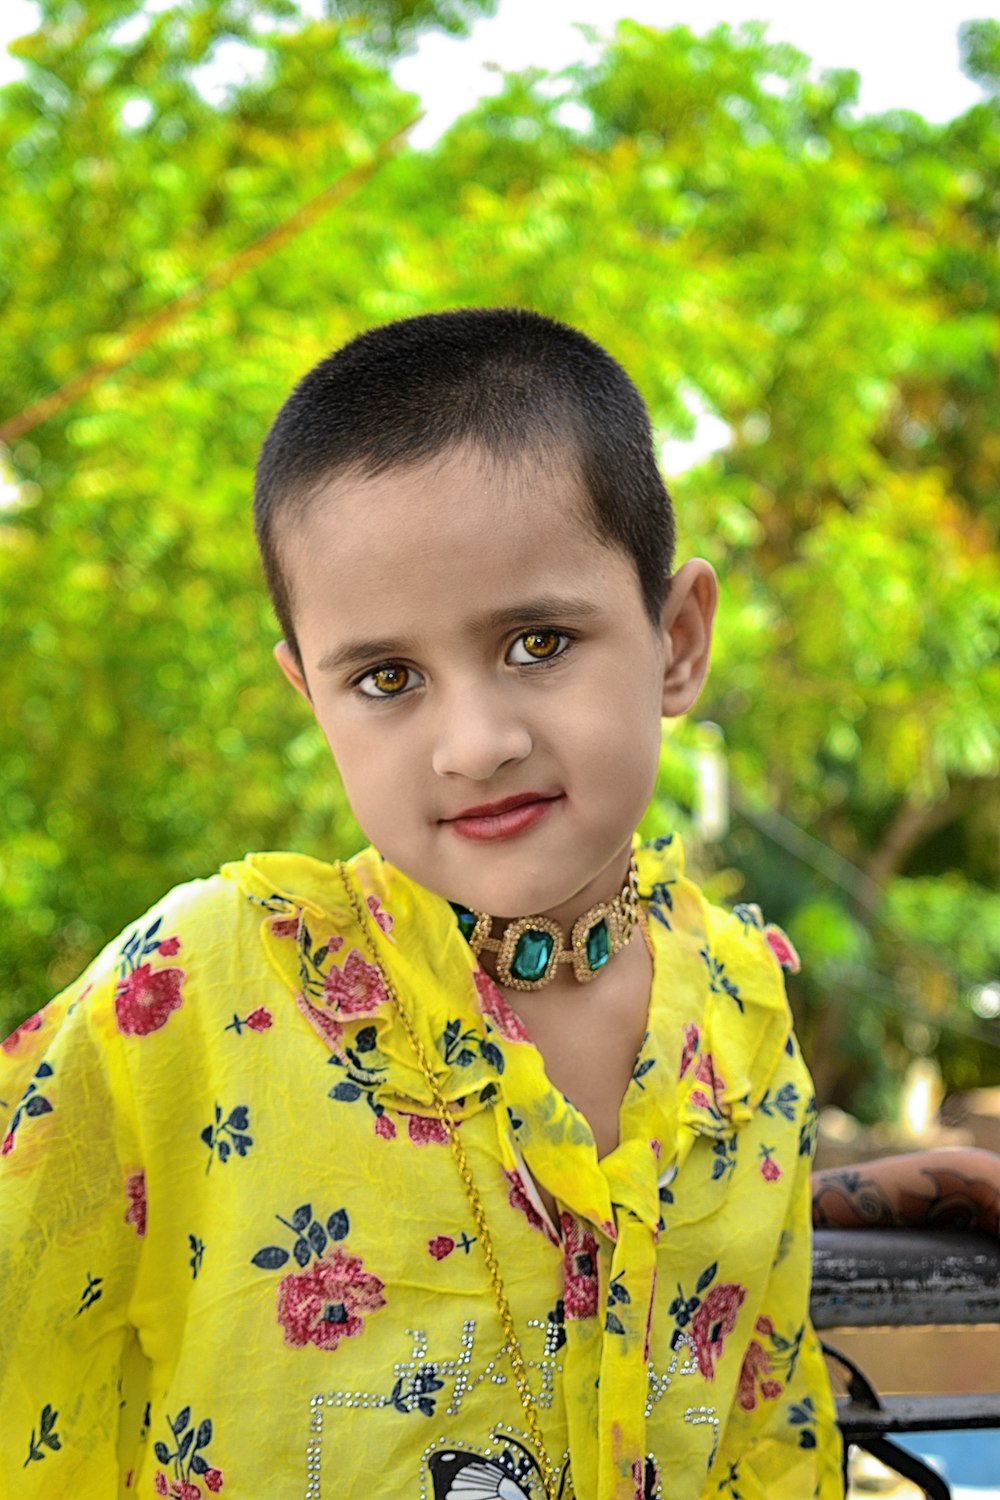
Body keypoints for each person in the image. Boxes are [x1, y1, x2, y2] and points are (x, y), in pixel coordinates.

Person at [1, 308, 995, 1500]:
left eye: (536, 642)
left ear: (676, 641)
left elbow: (756, 1415)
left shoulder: (735, 1002)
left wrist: (869, 1190)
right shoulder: (200, 989)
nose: (472, 745)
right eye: (386, 678)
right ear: (312, 697)